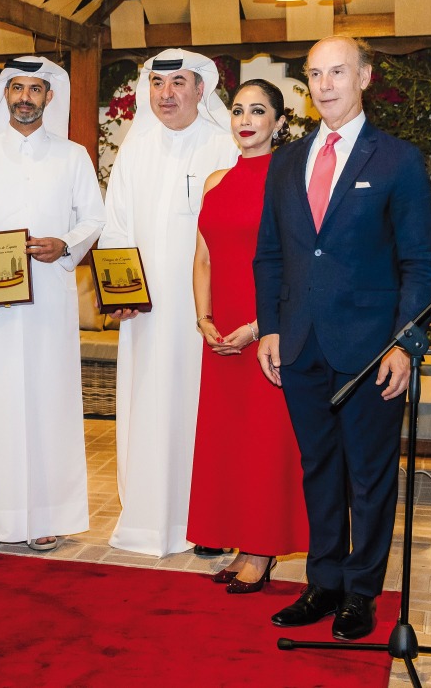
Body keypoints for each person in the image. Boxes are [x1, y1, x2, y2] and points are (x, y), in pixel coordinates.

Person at [255, 36, 431, 640]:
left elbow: (421, 265)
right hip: (300, 345)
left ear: (365, 77)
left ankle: (362, 593)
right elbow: (272, 256)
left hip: (371, 353)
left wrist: (405, 346)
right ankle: (324, 582)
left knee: (370, 475)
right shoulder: (286, 162)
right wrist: (272, 329)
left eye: (338, 71)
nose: (326, 84)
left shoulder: (398, 160)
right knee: (319, 470)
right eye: (315, 74)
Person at [0, 56, 106, 556]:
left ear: (48, 98)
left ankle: (46, 515)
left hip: (48, 307)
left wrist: (64, 245)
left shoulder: (73, 156)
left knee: (47, 404)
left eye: (34, 90)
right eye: (16, 88)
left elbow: (95, 219)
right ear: (5, 95)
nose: (24, 98)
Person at [100, 49, 240, 557]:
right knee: (149, 406)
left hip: (204, 311)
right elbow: (114, 227)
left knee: (204, 411)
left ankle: (206, 520)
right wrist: (119, 294)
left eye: (178, 82)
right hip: (144, 313)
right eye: (158, 83)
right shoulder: (134, 149)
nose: (166, 93)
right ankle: (145, 518)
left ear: (201, 89)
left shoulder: (225, 147)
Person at [186, 80, 309, 593]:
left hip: (266, 334)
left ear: (279, 122)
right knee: (231, 443)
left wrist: (260, 327)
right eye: (239, 110)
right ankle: (239, 542)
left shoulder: (293, 180)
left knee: (265, 444)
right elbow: (203, 257)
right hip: (220, 337)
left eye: (259, 111)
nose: (246, 119)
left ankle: (261, 550)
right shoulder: (216, 180)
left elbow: (299, 265)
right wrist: (205, 320)